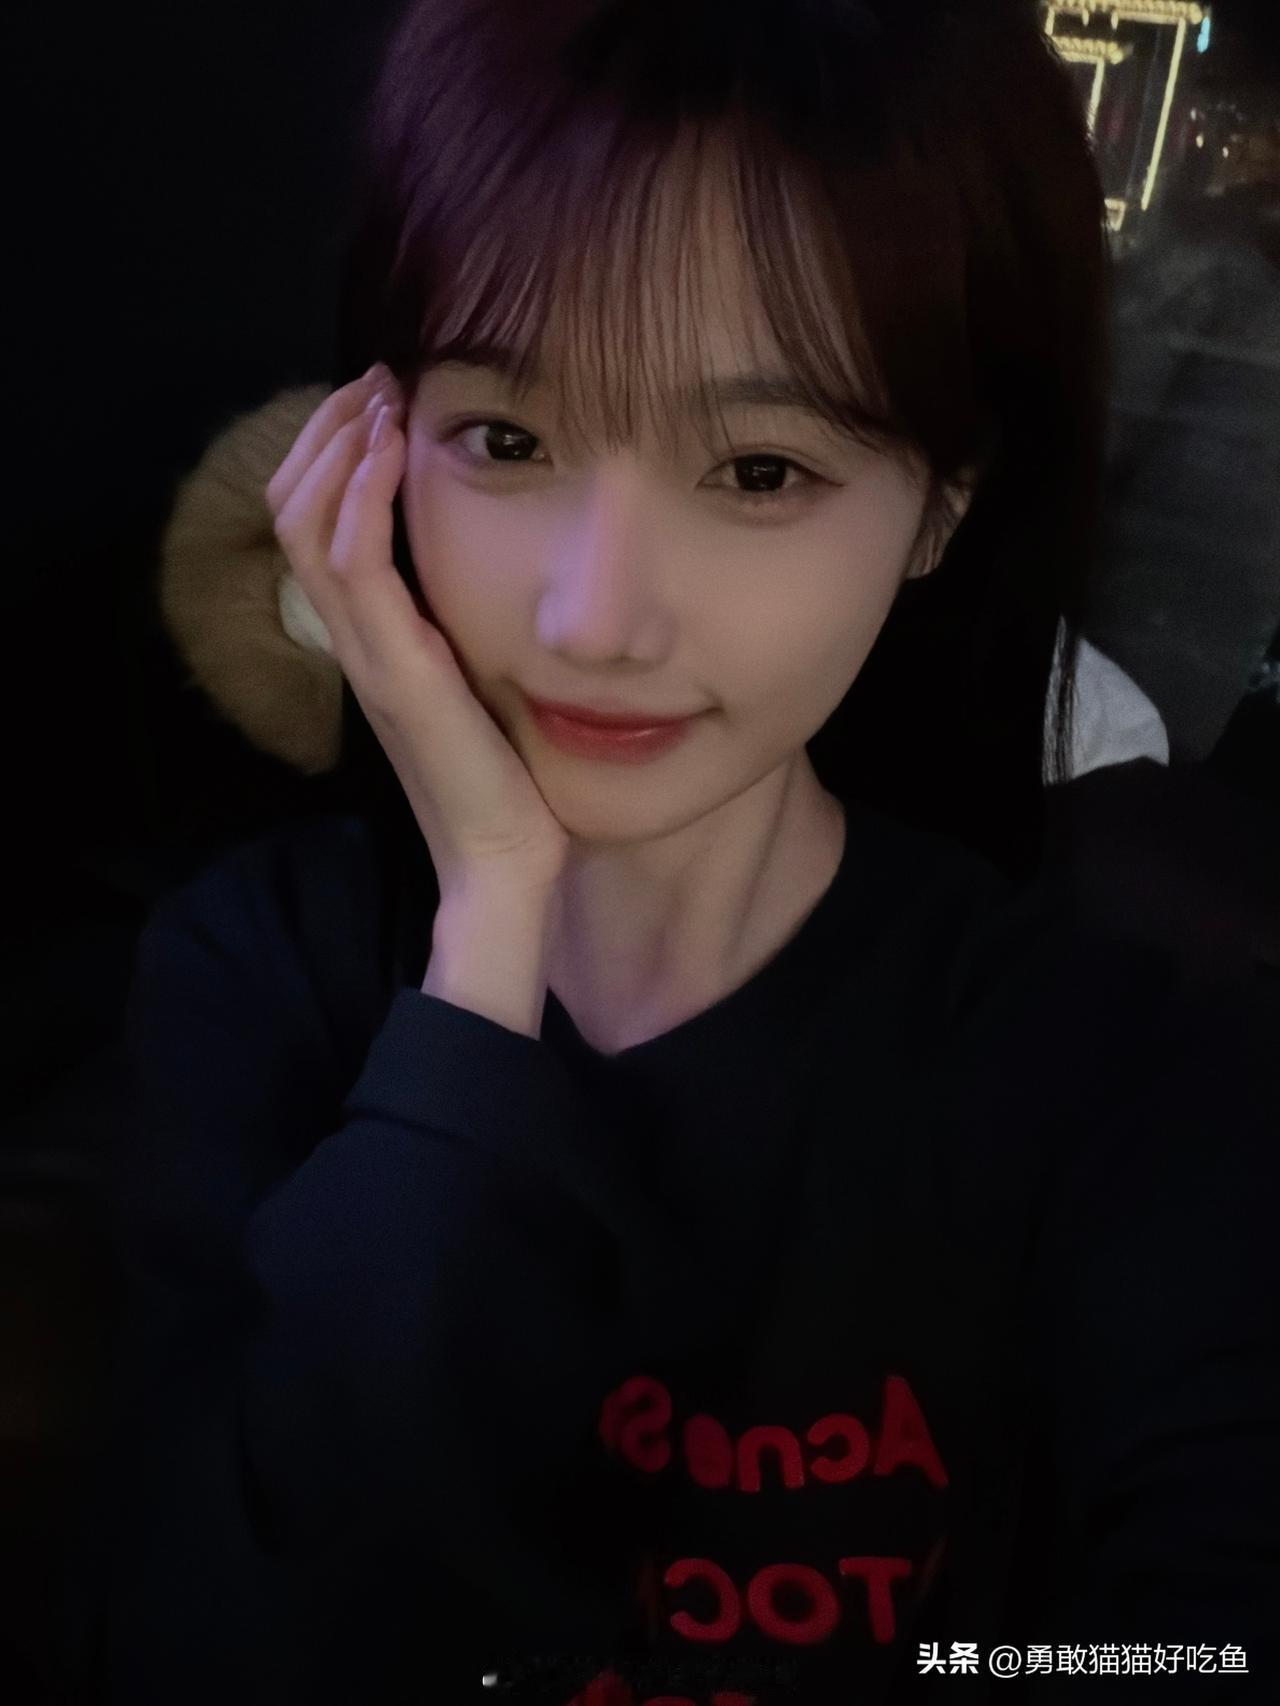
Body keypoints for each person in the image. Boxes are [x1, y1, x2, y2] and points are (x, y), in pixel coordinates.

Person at [58, 2, 1277, 1703]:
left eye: (759, 468)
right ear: (371, 447)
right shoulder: (252, 981)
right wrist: (489, 930)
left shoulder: (1113, 1079)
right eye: (507, 441)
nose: (594, 616)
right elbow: (214, 1649)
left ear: (942, 503)